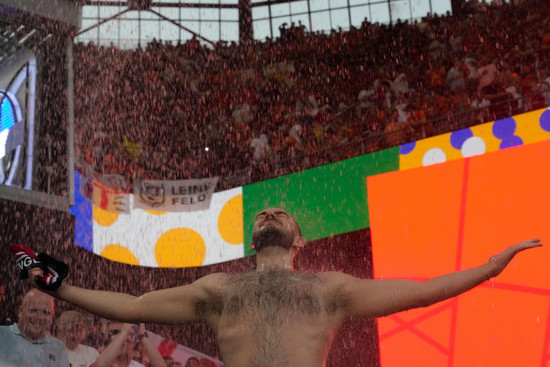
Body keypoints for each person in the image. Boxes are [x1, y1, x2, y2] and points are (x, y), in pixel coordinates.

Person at [15, 208, 542, 367]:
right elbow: (131, 305)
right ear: (253, 242)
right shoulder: (220, 290)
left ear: (298, 239)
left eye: (280, 212)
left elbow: (423, 290)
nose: (269, 212)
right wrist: (57, 287)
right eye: (264, 213)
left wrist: (489, 269)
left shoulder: (327, 289)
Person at [0, 289, 69, 366]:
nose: (39, 317)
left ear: (51, 317)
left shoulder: (57, 347)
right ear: (20, 312)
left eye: (45, 312)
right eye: (33, 310)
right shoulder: (1, 335)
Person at [91, 322, 165, 367]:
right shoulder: (94, 358)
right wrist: (123, 332)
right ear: (107, 339)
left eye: (129, 333)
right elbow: (99, 365)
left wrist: (143, 336)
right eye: (116, 332)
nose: (126, 337)